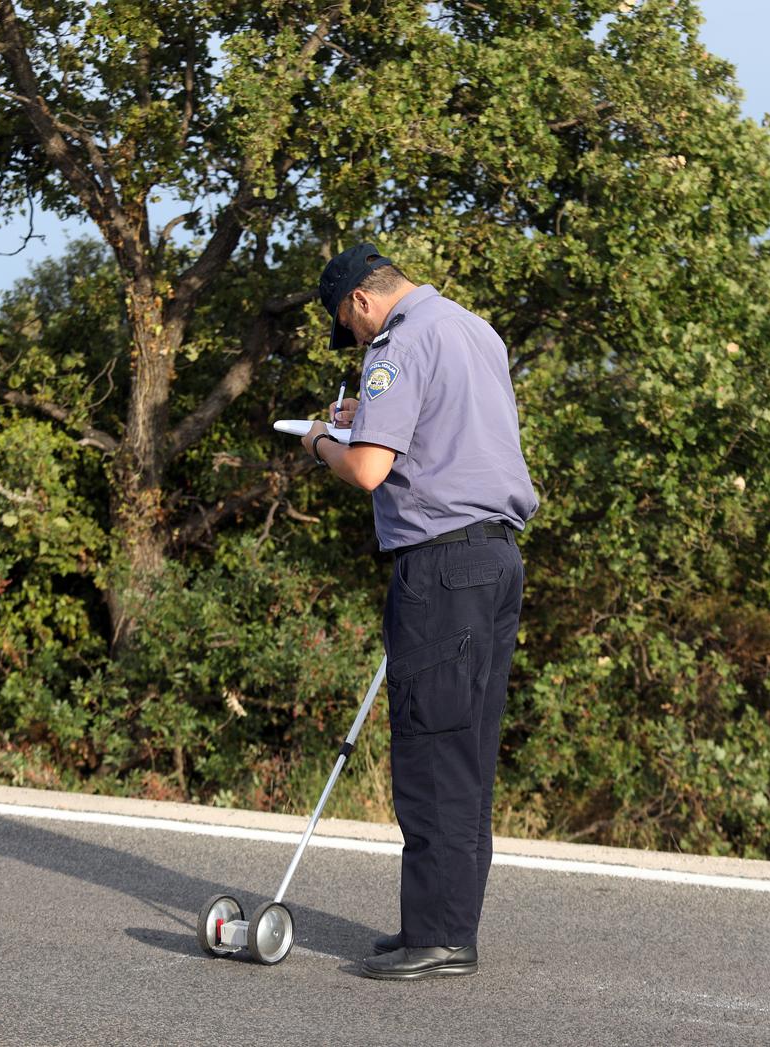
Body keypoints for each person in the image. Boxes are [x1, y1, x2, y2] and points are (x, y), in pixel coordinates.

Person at [301, 243, 538, 981]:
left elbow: (369, 468)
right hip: (498, 559)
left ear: (364, 303)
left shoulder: (398, 343)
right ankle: (444, 926)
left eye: (352, 326)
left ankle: (436, 937)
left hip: (440, 564)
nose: (360, 340)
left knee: (433, 747)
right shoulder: (475, 329)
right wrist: (363, 412)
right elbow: (448, 431)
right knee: (467, 749)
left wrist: (318, 442)